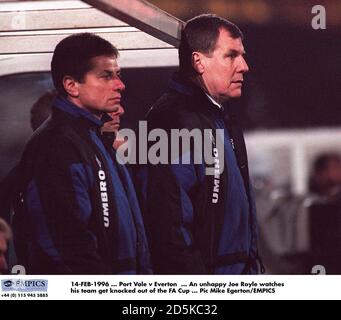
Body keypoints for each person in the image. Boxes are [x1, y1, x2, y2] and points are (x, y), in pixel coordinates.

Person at [12, 33, 150, 274]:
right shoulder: (56, 146)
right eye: (106, 76)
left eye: (118, 75)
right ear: (71, 85)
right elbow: (68, 251)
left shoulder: (95, 139)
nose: (120, 84)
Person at [140, 14, 261, 274]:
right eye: (231, 55)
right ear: (198, 62)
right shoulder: (173, 120)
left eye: (242, 55)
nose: (244, 66)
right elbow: (169, 227)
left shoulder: (220, 117)